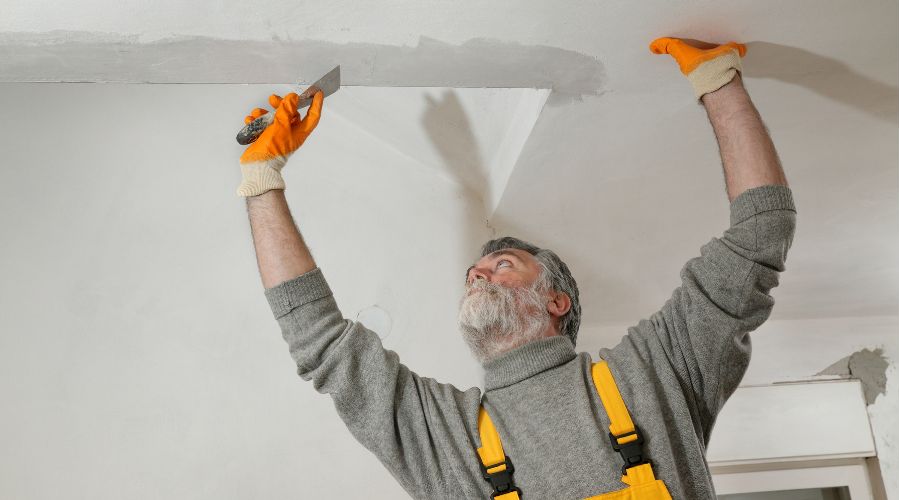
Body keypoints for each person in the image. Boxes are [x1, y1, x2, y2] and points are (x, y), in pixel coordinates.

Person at [237, 37, 797, 499]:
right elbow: (321, 343)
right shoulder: (445, 436)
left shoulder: (655, 372)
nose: (477, 275)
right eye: (473, 274)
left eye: (501, 264)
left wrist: (717, 80)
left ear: (558, 301)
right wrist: (262, 182)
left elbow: (759, 235)